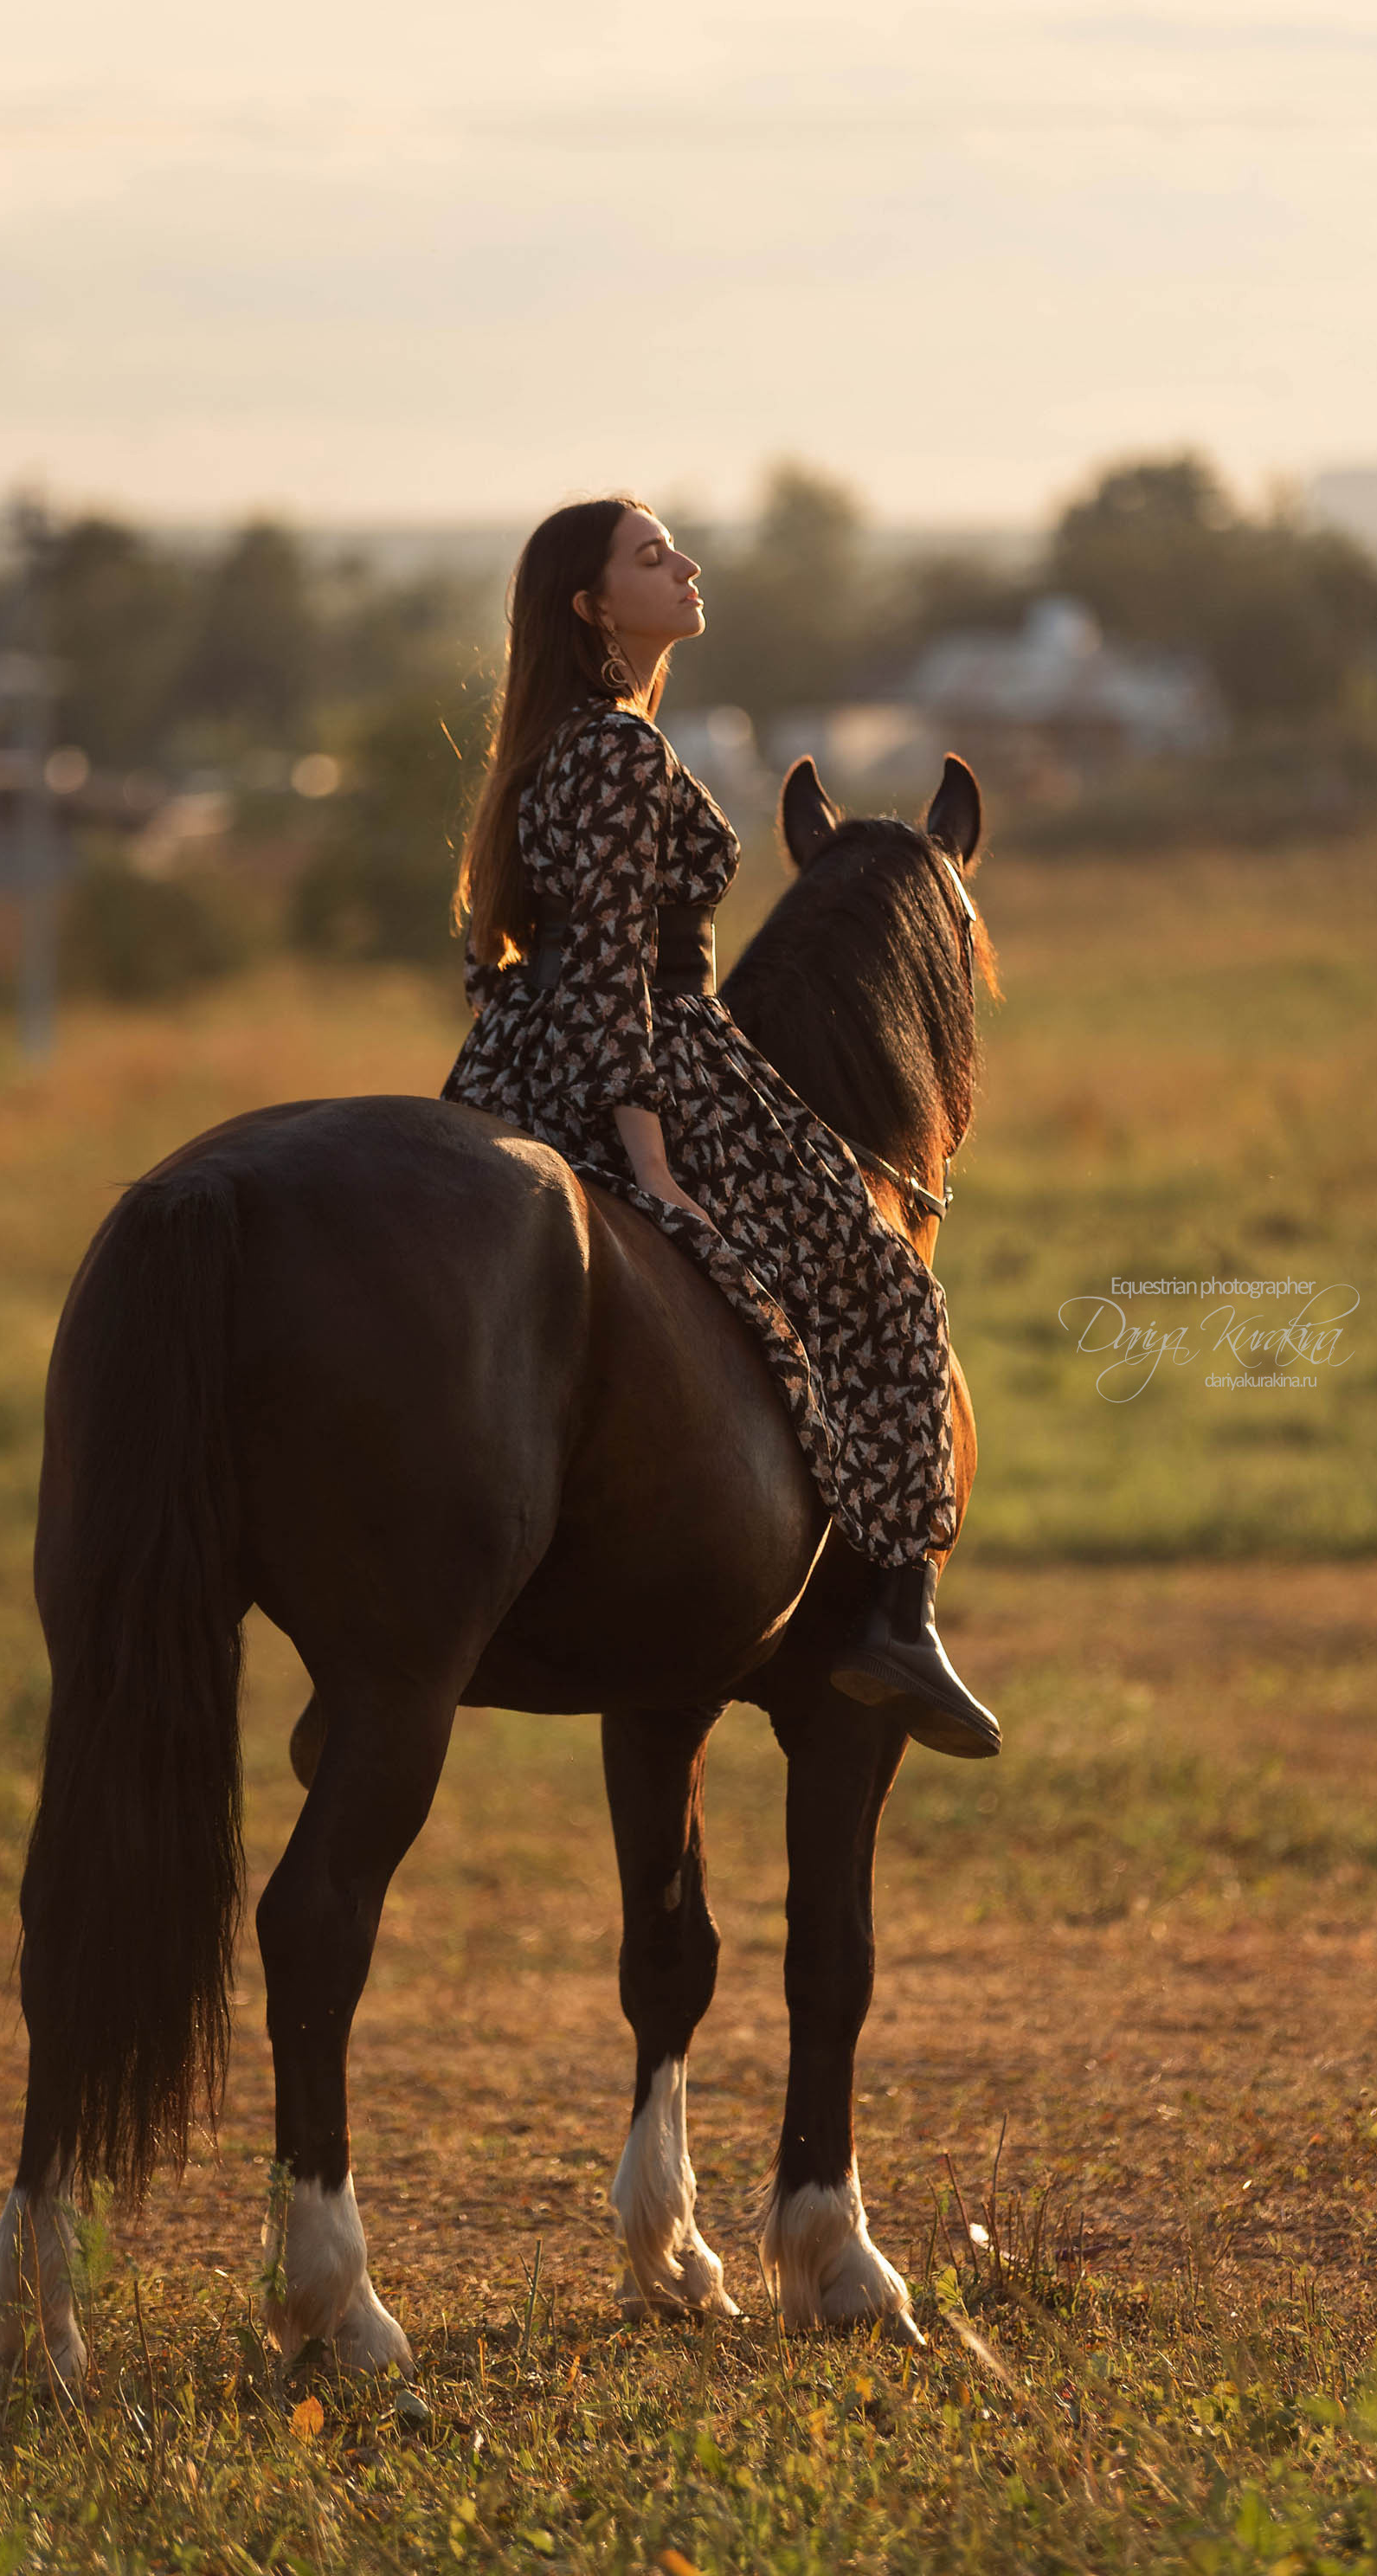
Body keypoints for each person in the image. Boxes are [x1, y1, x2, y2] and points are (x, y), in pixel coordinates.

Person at [441, 495, 999, 1758]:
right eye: (650, 558)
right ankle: (897, 1622)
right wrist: (644, 1148)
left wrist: (515, 1076)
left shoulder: (541, 750)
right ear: (593, 608)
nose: (684, 566)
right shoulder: (625, 756)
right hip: (656, 1061)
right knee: (892, 1294)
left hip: (516, 1064)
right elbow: (618, 973)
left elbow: (503, 964)